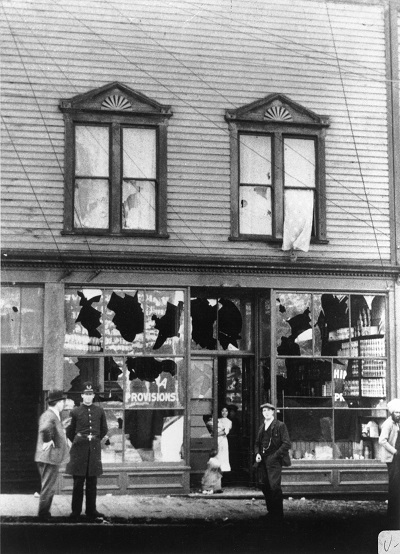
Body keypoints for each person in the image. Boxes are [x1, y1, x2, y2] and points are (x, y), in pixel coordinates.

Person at [66, 382, 108, 522]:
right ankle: (75, 512)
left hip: (94, 449)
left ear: (93, 396)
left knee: (92, 482)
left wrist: (94, 440)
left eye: (91, 394)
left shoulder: (99, 411)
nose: (88, 397)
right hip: (79, 450)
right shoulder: (75, 411)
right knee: (78, 482)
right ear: (82, 395)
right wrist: (80, 441)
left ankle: (91, 510)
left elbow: (104, 429)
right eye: (86, 394)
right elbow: (70, 431)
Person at [34, 389, 70, 522]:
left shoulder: (51, 415)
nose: (64, 404)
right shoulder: (50, 415)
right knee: (48, 487)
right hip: (49, 457)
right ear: (58, 402)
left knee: (48, 486)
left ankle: (44, 513)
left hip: (48, 457)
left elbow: (50, 427)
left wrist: (61, 427)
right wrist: (48, 440)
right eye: (63, 401)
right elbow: (45, 429)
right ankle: (43, 515)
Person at [255, 402, 291, 524]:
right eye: (263, 411)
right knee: (265, 486)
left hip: (274, 461)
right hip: (263, 461)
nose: (265, 413)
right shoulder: (262, 427)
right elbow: (257, 444)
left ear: (273, 412)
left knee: (274, 488)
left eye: (268, 410)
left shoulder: (280, 426)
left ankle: (278, 516)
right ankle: (271, 513)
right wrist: (258, 454)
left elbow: (286, 443)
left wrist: (274, 456)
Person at [379, 398, 400, 529]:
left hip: (398, 457)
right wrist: (394, 451)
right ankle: (392, 516)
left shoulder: (397, 423)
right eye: (397, 412)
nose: (399, 414)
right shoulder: (388, 424)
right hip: (392, 459)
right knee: (394, 486)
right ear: (392, 412)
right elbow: (382, 440)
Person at [217, 406, 232, 472]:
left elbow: (225, 432)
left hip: (223, 440)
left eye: (226, 411)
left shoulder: (229, 421)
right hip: (217, 439)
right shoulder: (218, 420)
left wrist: (215, 434)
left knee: (223, 455)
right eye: (223, 411)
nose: (224, 412)